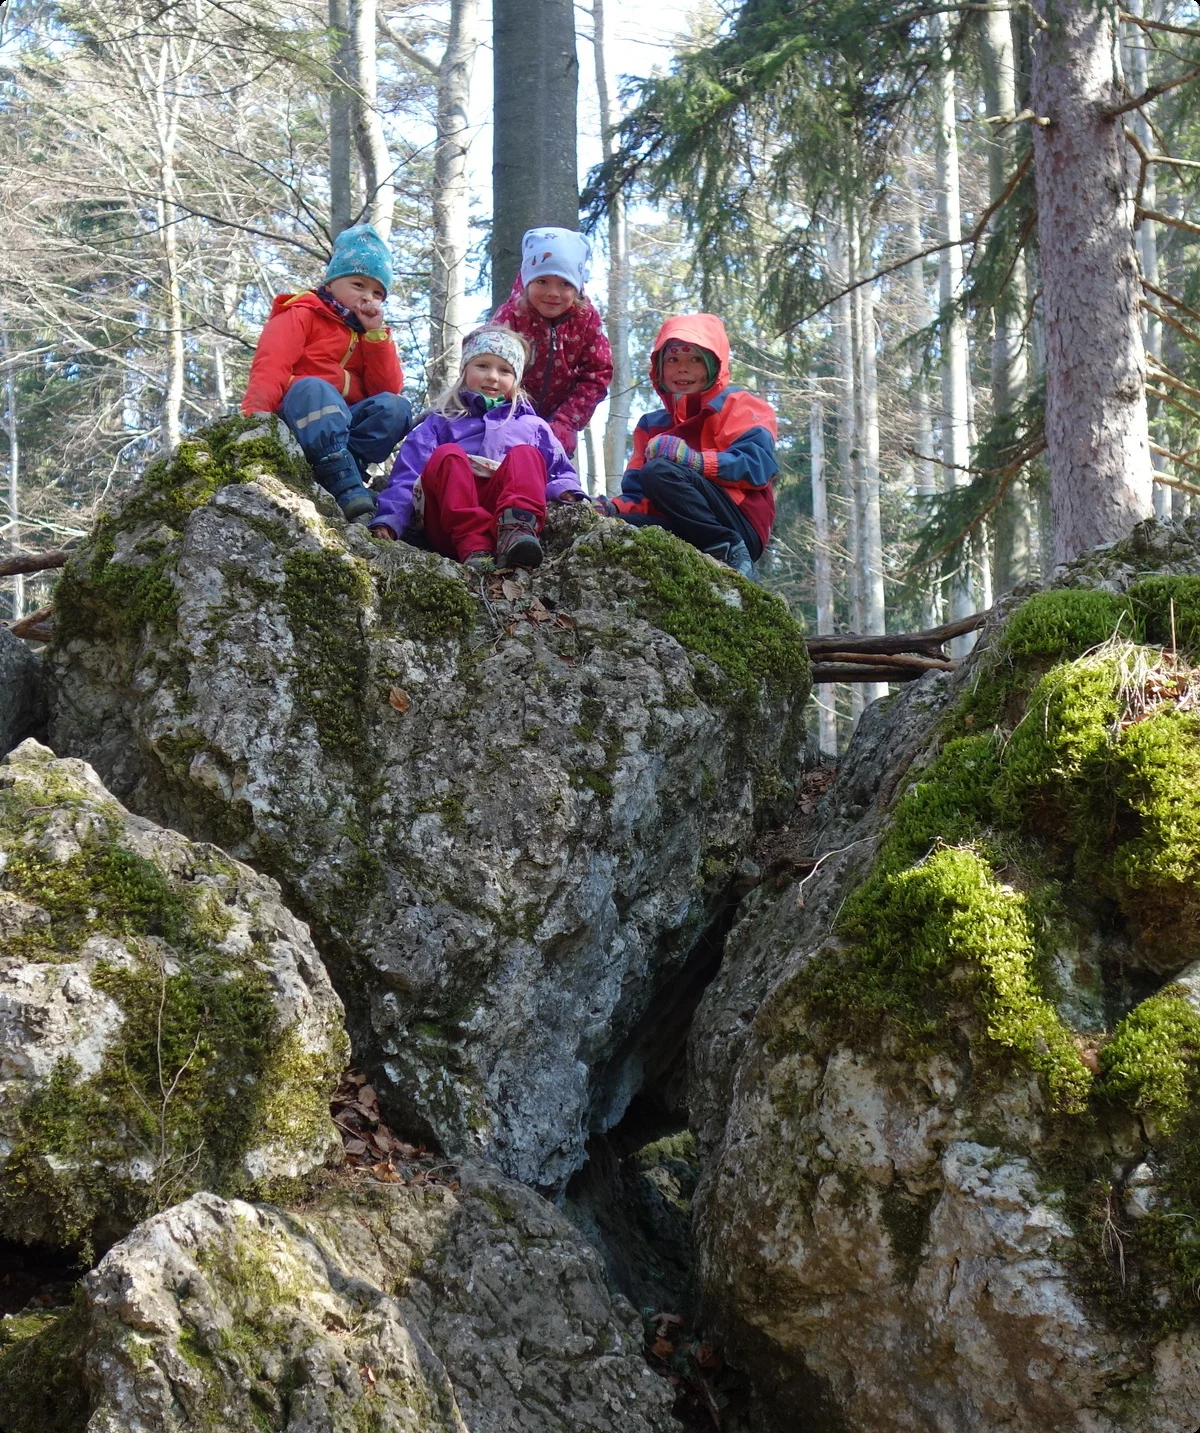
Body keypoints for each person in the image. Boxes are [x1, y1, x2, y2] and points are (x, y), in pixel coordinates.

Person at [370, 325, 586, 571]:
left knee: (527, 455)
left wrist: (567, 489)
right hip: (449, 523)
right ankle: (474, 545)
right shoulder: (442, 420)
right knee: (447, 455)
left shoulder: (532, 425)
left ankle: (517, 531)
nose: (493, 376)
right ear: (464, 371)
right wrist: (391, 519)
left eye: (504, 370)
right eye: (482, 366)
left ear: (516, 380)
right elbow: (408, 473)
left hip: (501, 516)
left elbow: (560, 469)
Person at [241, 223, 412, 523]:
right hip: (301, 415)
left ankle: (349, 467)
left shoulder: (368, 333)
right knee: (315, 388)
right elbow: (271, 365)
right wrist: (254, 421)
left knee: (397, 408)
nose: (367, 298)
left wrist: (375, 336)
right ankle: (338, 472)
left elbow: (385, 389)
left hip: (344, 426)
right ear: (332, 282)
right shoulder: (303, 312)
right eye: (358, 286)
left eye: (377, 293)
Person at [597, 315, 778, 578]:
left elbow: (758, 467)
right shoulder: (651, 425)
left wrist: (695, 461)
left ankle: (729, 550)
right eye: (673, 359)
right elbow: (639, 495)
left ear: (714, 365)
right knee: (618, 527)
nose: (683, 369)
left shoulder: (741, 404)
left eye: (695, 359)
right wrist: (611, 508)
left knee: (659, 471)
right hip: (684, 523)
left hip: (738, 523)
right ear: (659, 367)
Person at [491, 227, 613, 458]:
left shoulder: (586, 320)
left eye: (565, 284)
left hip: (560, 421)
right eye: (543, 281)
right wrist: (505, 414)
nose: (553, 293)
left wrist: (566, 421)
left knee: (552, 474)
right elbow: (490, 364)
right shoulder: (512, 315)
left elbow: (597, 373)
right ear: (527, 280)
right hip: (507, 417)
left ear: (577, 286)